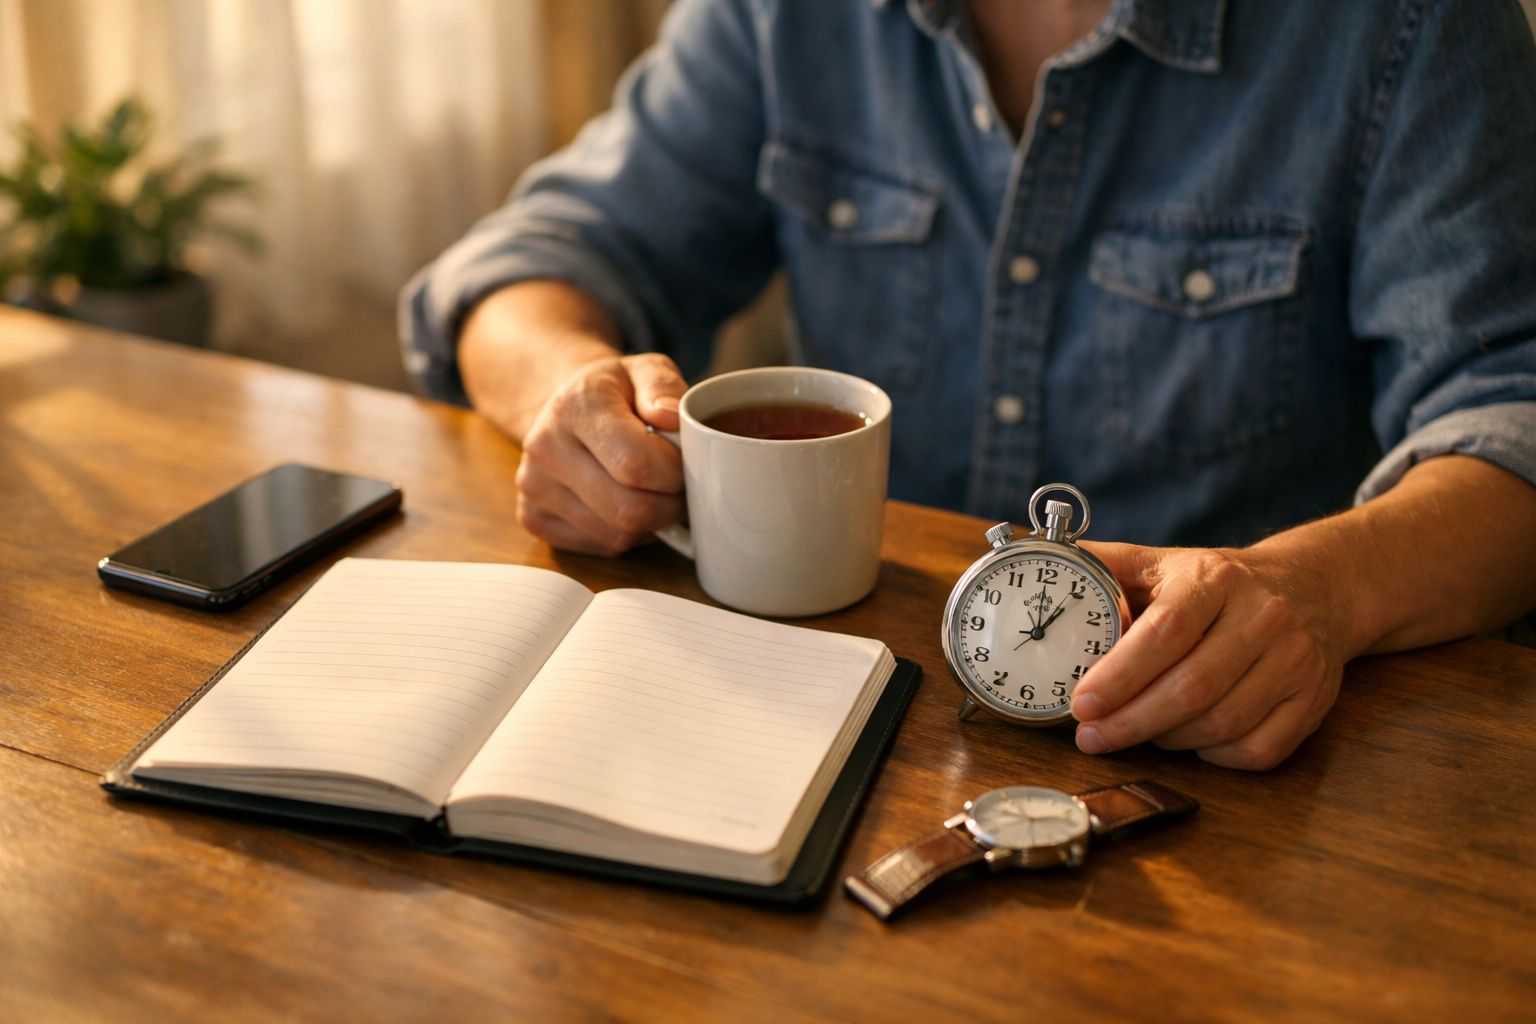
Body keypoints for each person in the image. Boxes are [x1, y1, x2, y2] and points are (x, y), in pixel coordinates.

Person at [401, 0, 1536, 770]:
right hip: (822, 720)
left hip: (1221, 759)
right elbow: (536, 261)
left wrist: (1322, 591)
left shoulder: (1406, 26)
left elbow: (1512, 415)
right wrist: (571, 395)